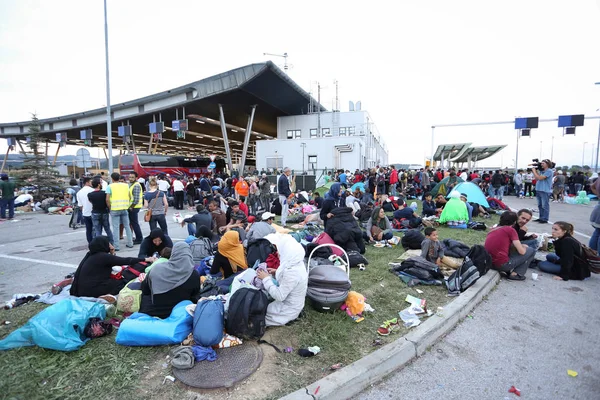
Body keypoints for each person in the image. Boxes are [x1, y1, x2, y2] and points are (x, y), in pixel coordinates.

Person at [70, 236, 154, 298]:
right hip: (92, 290)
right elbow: (125, 261)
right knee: (123, 283)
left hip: (82, 289)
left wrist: (112, 253)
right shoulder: (102, 256)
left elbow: (113, 260)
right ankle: (104, 296)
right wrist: (145, 259)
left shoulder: (91, 255)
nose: (110, 245)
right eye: (108, 243)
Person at [256, 233, 308, 326]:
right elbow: (290, 281)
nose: (278, 254)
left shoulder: (292, 272)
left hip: (288, 309)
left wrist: (266, 279)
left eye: (280, 251)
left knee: (257, 314)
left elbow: (279, 296)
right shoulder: (296, 263)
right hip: (293, 303)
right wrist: (276, 272)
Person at [140, 242, 200, 319]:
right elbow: (194, 297)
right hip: (179, 315)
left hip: (152, 313)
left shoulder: (156, 269)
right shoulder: (193, 274)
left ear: (173, 253)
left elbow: (145, 290)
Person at [484, 211, 535, 281]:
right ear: (514, 222)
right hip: (501, 265)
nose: (524, 221)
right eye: (523, 218)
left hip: (488, 262)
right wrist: (523, 246)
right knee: (531, 250)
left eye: (527, 220)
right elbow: (522, 252)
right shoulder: (511, 230)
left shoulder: (493, 229)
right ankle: (517, 274)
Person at [106, 173, 133, 251]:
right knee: (127, 226)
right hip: (124, 208)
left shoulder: (110, 186)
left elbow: (107, 199)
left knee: (116, 227)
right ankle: (130, 243)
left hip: (114, 209)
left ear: (112, 178)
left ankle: (117, 246)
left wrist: (110, 207)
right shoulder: (125, 185)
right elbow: (130, 196)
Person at [88, 177, 114, 243]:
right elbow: (107, 201)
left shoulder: (90, 194)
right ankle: (112, 242)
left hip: (95, 212)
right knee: (107, 229)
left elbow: (91, 202)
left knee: (97, 230)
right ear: (99, 185)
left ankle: (98, 244)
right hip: (104, 212)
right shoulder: (104, 193)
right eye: (101, 183)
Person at [532, 159, 554, 223]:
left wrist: (534, 171)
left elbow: (540, 178)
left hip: (545, 190)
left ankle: (545, 218)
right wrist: (535, 172)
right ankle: (541, 217)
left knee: (545, 205)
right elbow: (536, 178)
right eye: (541, 163)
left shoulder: (549, 171)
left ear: (547, 164)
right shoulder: (542, 171)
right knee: (540, 205)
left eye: (543, 163)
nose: (541, 164)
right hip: (538, 189)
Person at [76, 177, 94, 244]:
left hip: (85, 213)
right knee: (95, 229)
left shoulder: (79, 192)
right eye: (91, 181)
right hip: (93, 212)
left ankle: (90, 243)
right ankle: (96, 243)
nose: (92, 183)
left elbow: (80, 206)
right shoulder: (92, 190)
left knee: (88, 229)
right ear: (87, 182)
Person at [128, 172, 144, 244]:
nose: (130, 179)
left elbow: (136, 199)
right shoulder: (132, 185)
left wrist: (131, 207)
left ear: (136, 178)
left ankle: (139, 238)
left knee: (134, 223)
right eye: (130, 177)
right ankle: (138, 238)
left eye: (132, 177)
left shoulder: (136, 185)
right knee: (134, 223)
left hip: (134, 207)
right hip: (133, 207)